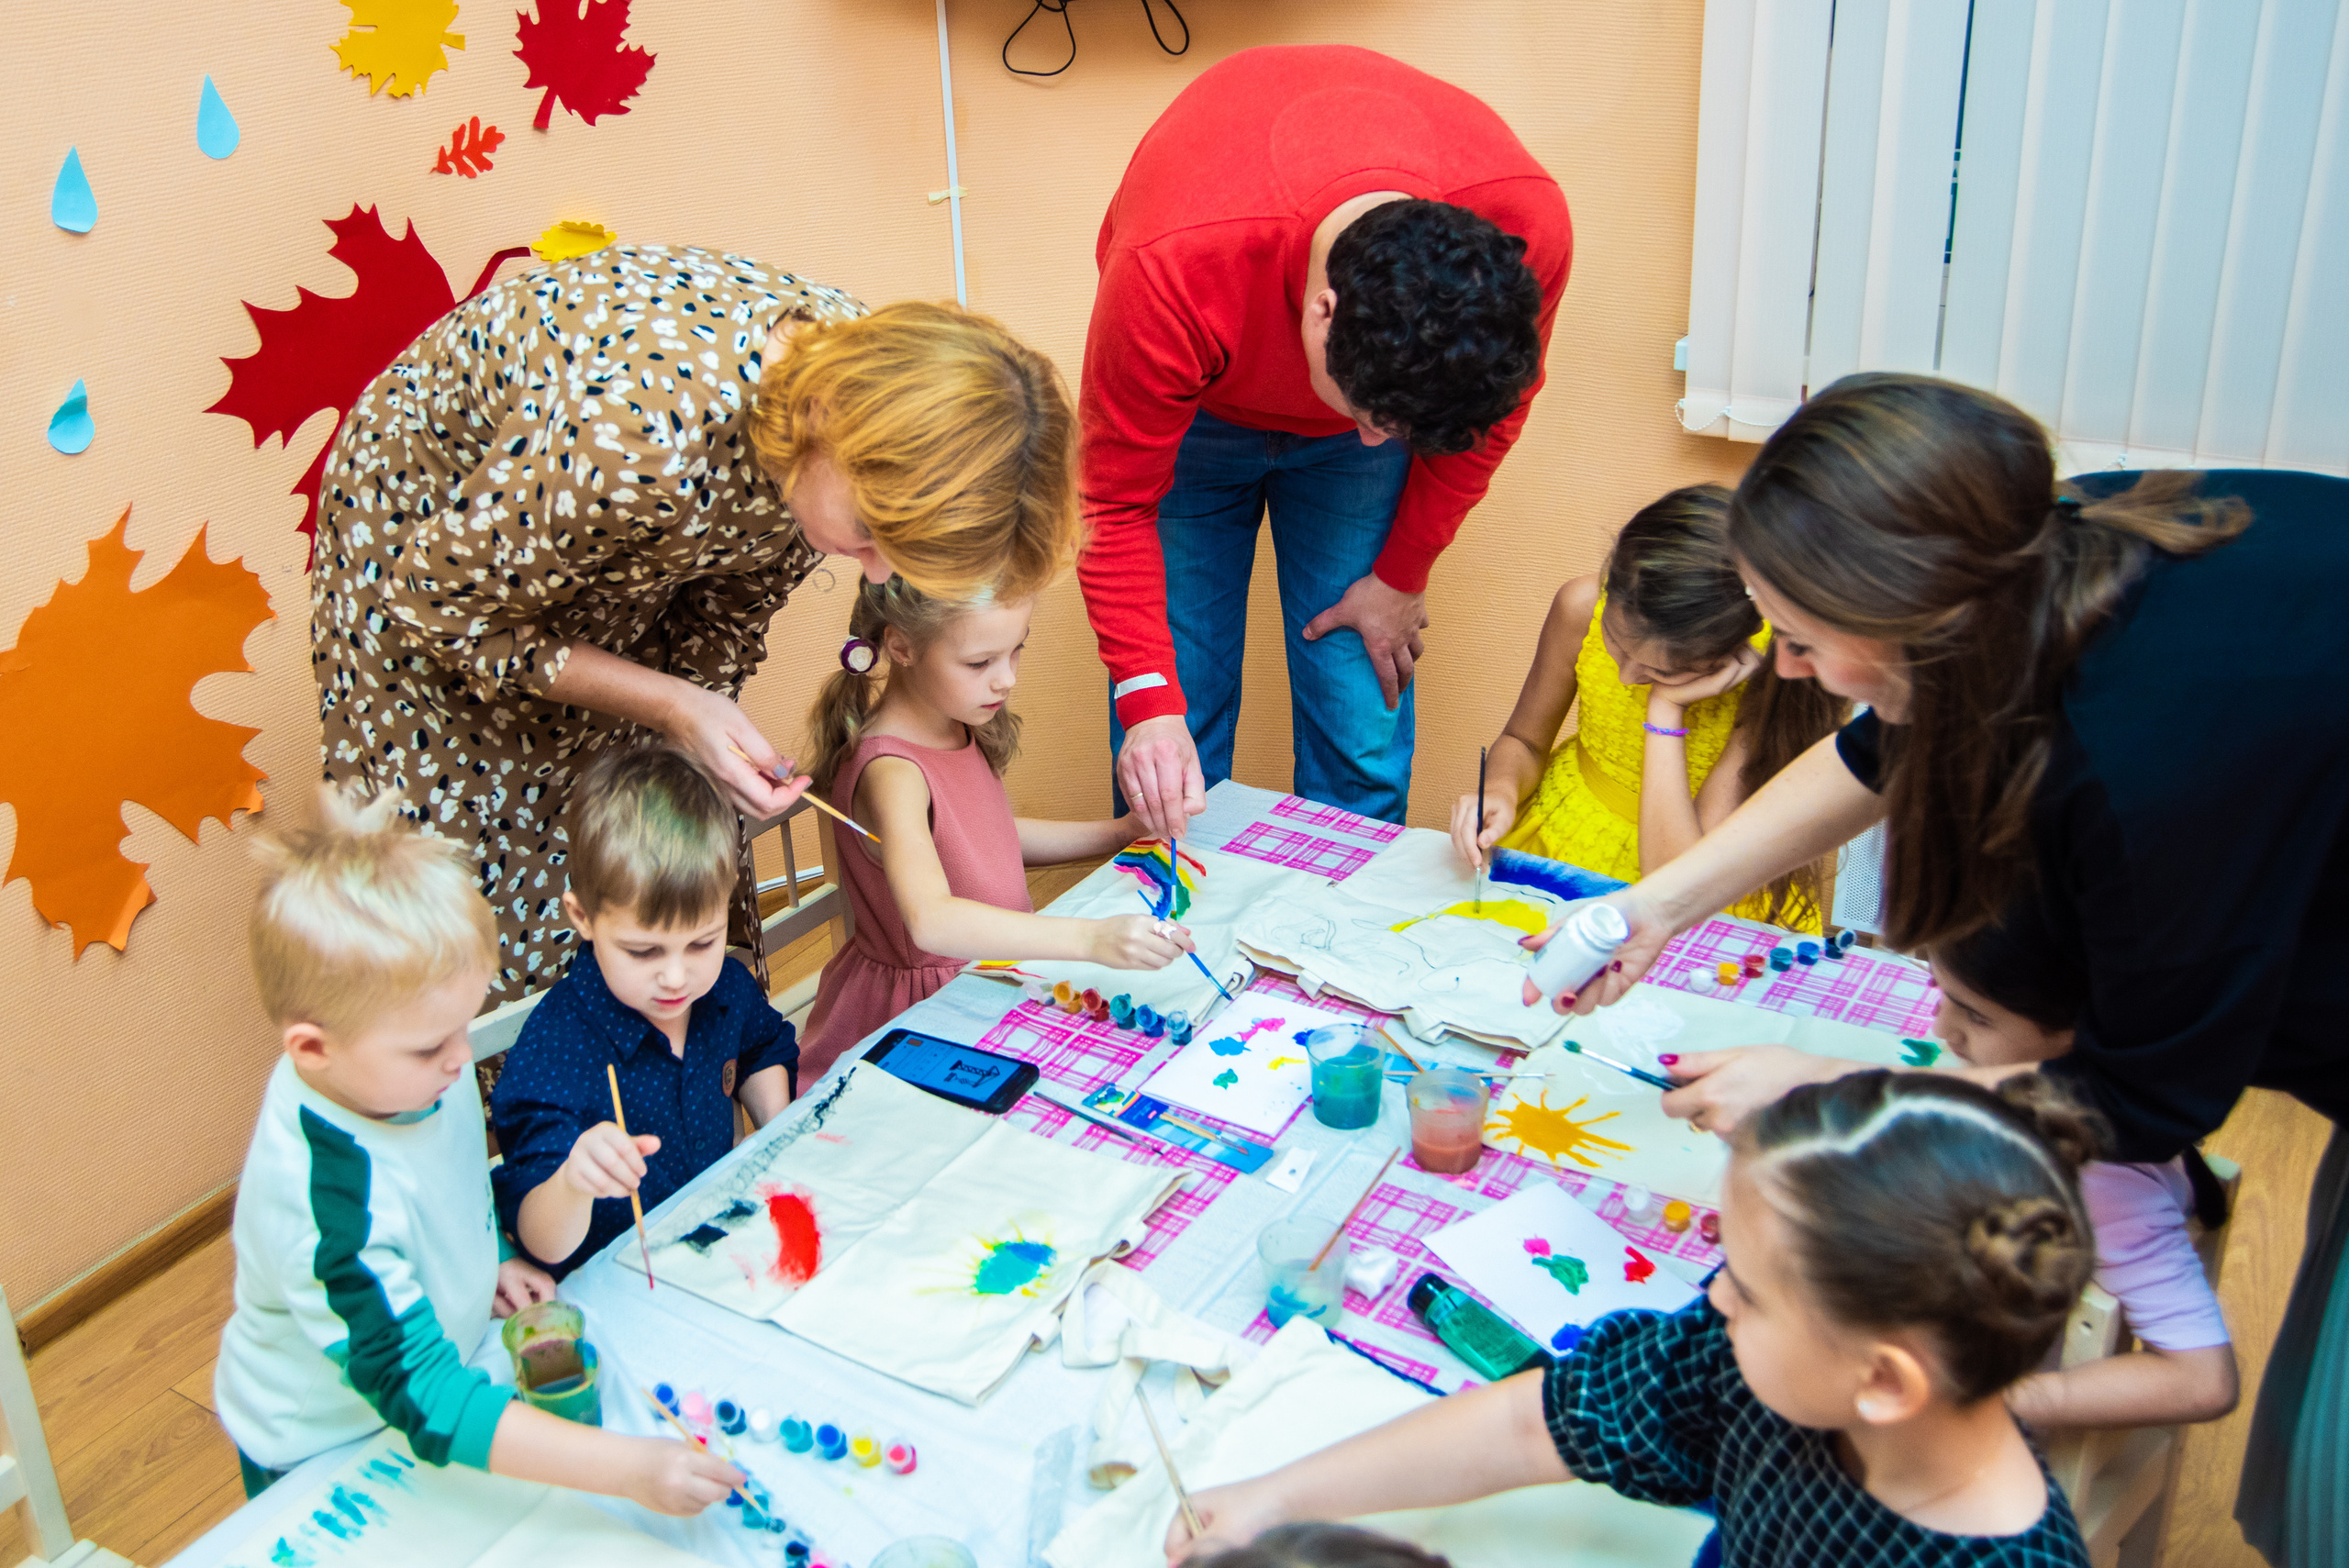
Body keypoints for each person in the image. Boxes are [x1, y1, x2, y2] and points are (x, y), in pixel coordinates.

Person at [1523, 374, 2348, 1568]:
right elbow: (1877, 740)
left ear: (1900, 614)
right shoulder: (2014, 557)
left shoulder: (2145, 775)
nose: (1789, 672)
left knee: (2324, 1492)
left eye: (1801, 640)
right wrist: (1652, 909)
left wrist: (1835, 1093)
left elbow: (2138, 1100)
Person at [314, 245, 1080, 1000]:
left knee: (660, 841)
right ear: (826, 434)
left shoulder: (863, 405)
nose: (874, 574)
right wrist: (674, 704)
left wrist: (696, 717)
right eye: (874, 539)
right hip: (435, 579)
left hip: (569, 528)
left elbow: (726, 606)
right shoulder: (640, 440)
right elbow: (441, 608)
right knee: (500, 905)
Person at [1168, 1073, 2099, 1566]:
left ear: (1884, 1379)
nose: (1714, 1296)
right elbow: (1531, 1418)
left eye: (1747, 1287)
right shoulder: (1766, 1369)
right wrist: (1272, 1498)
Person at [1079, 44, 1572, 834]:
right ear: (1323, 311)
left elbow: (1485, 421)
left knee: (1361, 728)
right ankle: (1164, 942)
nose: (1382, 447)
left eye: (1403, 430)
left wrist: (1403, 572)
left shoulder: (1522, 233)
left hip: (1338, 371)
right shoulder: (1174, 262)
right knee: (1174, 735)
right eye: (1373, 415)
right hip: (1196, 421)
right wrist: (1143, 694)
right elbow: (1113, 501)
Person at [217, 786, 740, 1512]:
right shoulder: (327, 1207)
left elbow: (453, 1181)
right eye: (434, 1043)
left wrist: (491, 1253)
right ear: (313, 1049)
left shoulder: (417, 1068)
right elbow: (427, 1398)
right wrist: (623, 1468)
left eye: (466, 1023)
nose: (465, 1058)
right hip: (326, 1450)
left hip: (445, 1372)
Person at [796, 577, 1195, 1082]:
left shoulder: (953, 722)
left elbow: (985, 840)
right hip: (919, 1019)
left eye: (1015, 651)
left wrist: (1120, 832)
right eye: (980, 663)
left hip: (989, 973)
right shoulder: (891, 771)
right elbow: (932, 920)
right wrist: (1092, 939)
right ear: (901, 646)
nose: (1006, 680)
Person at [1449, 485, 1844, 930]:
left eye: (1662, 672)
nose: (1627, 678)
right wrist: (1502, 789)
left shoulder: (1774, 675)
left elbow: (1680, 879)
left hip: (1691, 874)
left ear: (1724, 659)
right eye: (1616, 643)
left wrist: (1665, 711)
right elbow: (1523, 740)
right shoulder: (1580, 606)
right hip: (1559, 841)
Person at [490, 747, 797, 1276]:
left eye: (701, 943)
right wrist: (571, 1183)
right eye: (643, 951)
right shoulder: (556, 1050)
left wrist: (775, 1128)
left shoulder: (724, 986)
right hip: (614, 1282)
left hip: (716, 1254)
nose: (677, 977)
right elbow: (539, 1240)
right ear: (583, 917)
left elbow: (762, 1045)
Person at [1925, 918, 2238, 1431]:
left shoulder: (2095, 1179)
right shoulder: (2117, 1096)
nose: (1941, 1029)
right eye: (1941, 992)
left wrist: (1988, 1400)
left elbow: (2206, 1381)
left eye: (1976, 1017)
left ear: (2077, 1032)